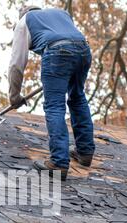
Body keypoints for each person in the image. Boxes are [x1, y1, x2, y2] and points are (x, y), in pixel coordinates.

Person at [8, 6, 95, 181]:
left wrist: (14, 97)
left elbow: (16, 65)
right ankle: (85, 152)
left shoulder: (24, 22)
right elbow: (70, 40)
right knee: (77, 97)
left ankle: (59, 163)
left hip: (57, 53)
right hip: (83, 50)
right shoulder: (60, 13)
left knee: (54, 105)